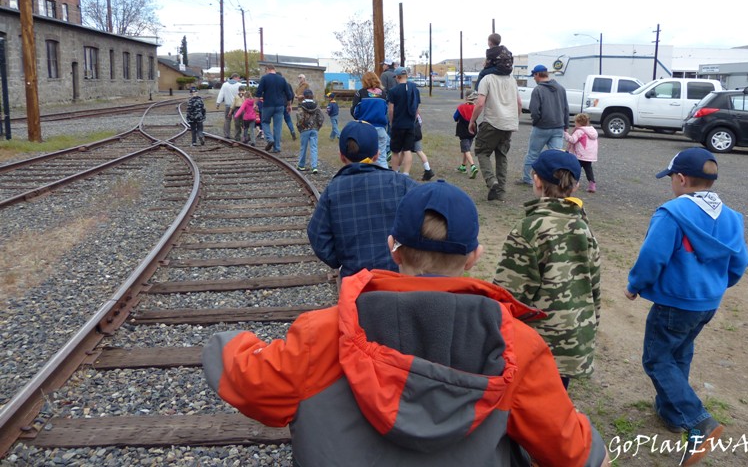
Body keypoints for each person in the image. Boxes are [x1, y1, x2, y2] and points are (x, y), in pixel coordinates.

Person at [203, 180, 611, 467]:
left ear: (393, 250)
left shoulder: (323, 333)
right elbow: (574, 453)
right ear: (474, 257)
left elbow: (247, 382)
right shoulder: (516, 347)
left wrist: (228, 340)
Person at [625, 148, 748, 466]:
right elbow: (740, 262)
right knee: (679, 352)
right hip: (706, 304)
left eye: (671, 178)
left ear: (681, 178)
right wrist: (718, 286)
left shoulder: (671, 213)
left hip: (674, 302)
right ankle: (672, 413)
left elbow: (653, 256)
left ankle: (698, 421)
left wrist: (635, 285)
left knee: (656, 359)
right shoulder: (731, 216)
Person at [494, 149, 601, 390]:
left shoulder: (528, 229)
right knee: (556, 399)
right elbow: (593, 287)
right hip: (574, 336)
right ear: (574, 187)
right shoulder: (584, 228)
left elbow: (509, 294)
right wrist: (590, 329)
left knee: (528, 403)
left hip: (536, 343)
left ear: (536, 180)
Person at [306, 120, 418, 282]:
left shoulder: (333, 190)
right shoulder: (402, 184)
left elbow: (317, 235)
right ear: (377, 155)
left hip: (356, 280)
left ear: (341, 156)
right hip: (397, 277)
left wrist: (340, 260)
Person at [468, 60, 521, 201]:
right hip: (508, 124)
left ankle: (492, 181)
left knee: (482, 151)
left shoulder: (487, 79)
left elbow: (480, 103)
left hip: (492, 122)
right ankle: (501, 191)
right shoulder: (512, 80)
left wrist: (472, 120)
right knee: (501, 155)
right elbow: (519, 103)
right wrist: (515, 119)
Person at [520, 64, 569, 185]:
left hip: (542, 127)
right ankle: (556, 179)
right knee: (557, 156)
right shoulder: (561, 88)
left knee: (533, 154)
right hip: (558, 127)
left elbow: (534, 110)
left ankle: (527, 178)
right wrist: (565, 125)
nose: (534, 79)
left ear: (537, 74)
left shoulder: (538, 90)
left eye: (534, 76)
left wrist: (536, 122)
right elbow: (566, 108)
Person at [387, 67, 421, 174]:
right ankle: (406, 173)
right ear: (406, 75)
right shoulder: (414, 89)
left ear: (397, 77)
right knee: (407, 150)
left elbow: (391, 109)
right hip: (410, 124)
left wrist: (391, 122)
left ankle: (395, 172)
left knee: (395, 151)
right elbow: (416, 108)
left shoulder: (393, 91)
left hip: (398, 124)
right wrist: (413, 120)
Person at [350, 71, 388, 168]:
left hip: (365, 129)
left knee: (364, 157)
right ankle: (384, 179)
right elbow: (385, 111)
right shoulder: (383, 93)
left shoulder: (360, 93)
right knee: (382, 157)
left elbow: (354, 111)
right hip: (381, 129)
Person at [255, 65, 294, 153]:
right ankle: (277, 147)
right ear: (274, 69)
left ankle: (270, 139)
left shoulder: (264, 78)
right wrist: (289, 105)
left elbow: (258, 92)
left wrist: (255, 103)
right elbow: (289, 94)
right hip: (280, 105)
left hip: (268, 105)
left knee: (265, 122)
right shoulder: (282, 79)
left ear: (267, 69)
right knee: (277, 127)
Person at [564, 112, 599, 193]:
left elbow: (573, 140)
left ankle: (573, 183)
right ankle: (592, 184)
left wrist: (565, 134)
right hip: (589, 155)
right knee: (588, 169)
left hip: (580, 154)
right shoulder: (592, 131)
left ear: (578, 122)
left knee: (575, 168)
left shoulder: (579, 131)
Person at [296, 89, 325, 174]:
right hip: (314, 129)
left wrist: (300, 127)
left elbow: (299, 118)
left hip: (304, 129)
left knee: (303, 147)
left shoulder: (301, 106)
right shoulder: (316, 105)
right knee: (314, 148)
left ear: (304, 96)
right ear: (312, 95)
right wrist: (318, 126)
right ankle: (314, 166)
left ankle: (301, 165)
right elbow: (321, 117)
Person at [453, 91, 479, 178]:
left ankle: (473, 166)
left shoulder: (461, 107)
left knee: (466, 150)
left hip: (463, 131)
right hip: (472, 131)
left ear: (467, 97)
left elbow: (455, 117)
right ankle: (463, 166)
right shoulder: (475, 107)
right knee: (466, 149)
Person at [215, 73, 241, 139]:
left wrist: (218, 103)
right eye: (238, 78)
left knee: (227, 120)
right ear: (235, 77)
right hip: (237, 106)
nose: (239, 79)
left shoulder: (225, 85)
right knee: (237, 121)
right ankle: (237, 136)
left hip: (228, 105)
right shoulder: (239, 85)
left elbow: (221, 94)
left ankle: (227, 135)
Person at [412, 114, 435, 181]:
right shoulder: (416, 112)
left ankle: (397, 170)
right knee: (419, 151)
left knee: (404, 151)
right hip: (417, 132)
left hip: (409, 132)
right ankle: (428, 169)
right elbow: (420, 122)